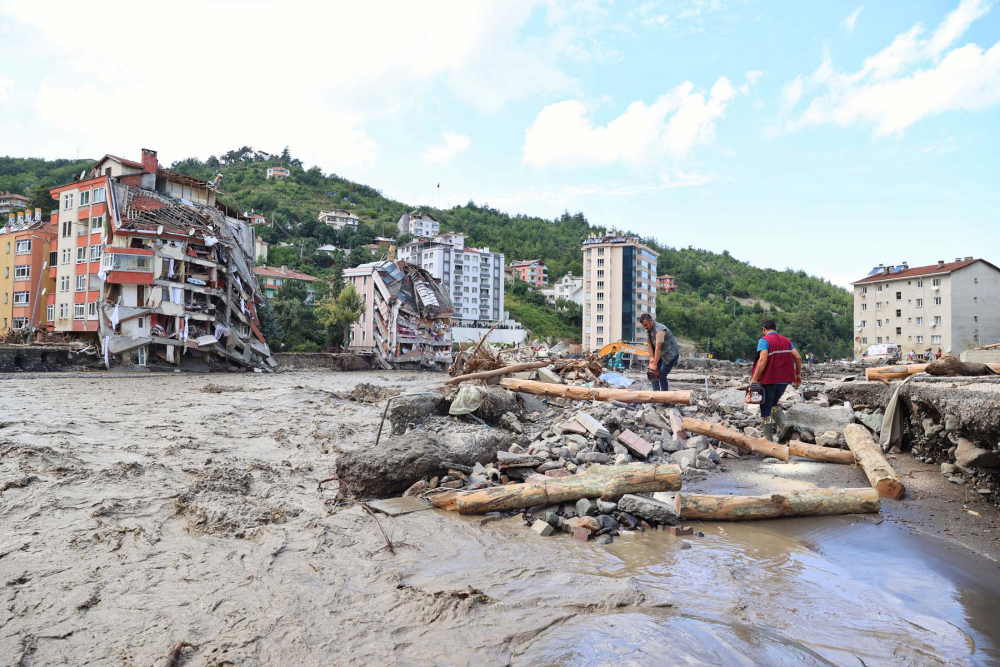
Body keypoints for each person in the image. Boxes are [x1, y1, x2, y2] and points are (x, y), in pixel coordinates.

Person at [750, 319, 802, 442]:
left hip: (769, 380)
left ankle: (768, 441)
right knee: (773, 403)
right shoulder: (787, 341)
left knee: (765, 409)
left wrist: (755, 379)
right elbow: (798, 357)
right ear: (775, 327)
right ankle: (784, 424)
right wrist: (798, 374)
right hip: (784, 380)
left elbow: (762, 360)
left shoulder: (764, 341)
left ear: (764, 329)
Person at [640, 313, 680, 392]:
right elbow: (649, 344)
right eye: (643, 326)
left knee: (661, 374)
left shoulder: (660, 330)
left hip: (670, 354)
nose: (645, 327)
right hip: (661, 354)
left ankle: (664, 400)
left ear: (651, 321)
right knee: (652, 373)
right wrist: (652, 358)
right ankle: (656, 396)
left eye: (646, 325)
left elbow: (658, 348)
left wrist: (655, 364)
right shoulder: (648, 329)